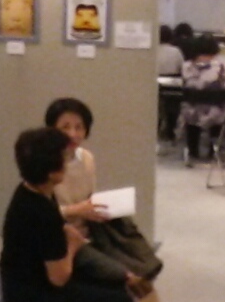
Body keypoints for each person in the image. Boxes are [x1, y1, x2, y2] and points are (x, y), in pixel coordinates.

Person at [0, 127, 177, 302]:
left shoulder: (34, 192)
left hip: (35, 276)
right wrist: (72, 244)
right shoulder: (40, 211)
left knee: (120, 290)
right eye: (63, 158)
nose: (67, 162)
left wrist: (116, 270)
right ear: (52, 171)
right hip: (28, 291)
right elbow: (59, 278)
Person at [47, 98, 163, 284]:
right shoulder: (45, 164)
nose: (72, 134)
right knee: (119, 276)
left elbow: (90, 196)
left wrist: (100, 206)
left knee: (137, 252)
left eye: (79, 127)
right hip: (63, 235)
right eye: (65, 127)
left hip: (92, 228)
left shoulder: (87, 158)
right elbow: (40, 215)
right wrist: (77, 210)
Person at [181, 35, 225, 163]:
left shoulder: (186, 66)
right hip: (215, 112)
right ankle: (214, 151)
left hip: (192, 111)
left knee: (192, 112)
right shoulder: (221, 66)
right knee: (219, 110)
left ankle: (193, 151)